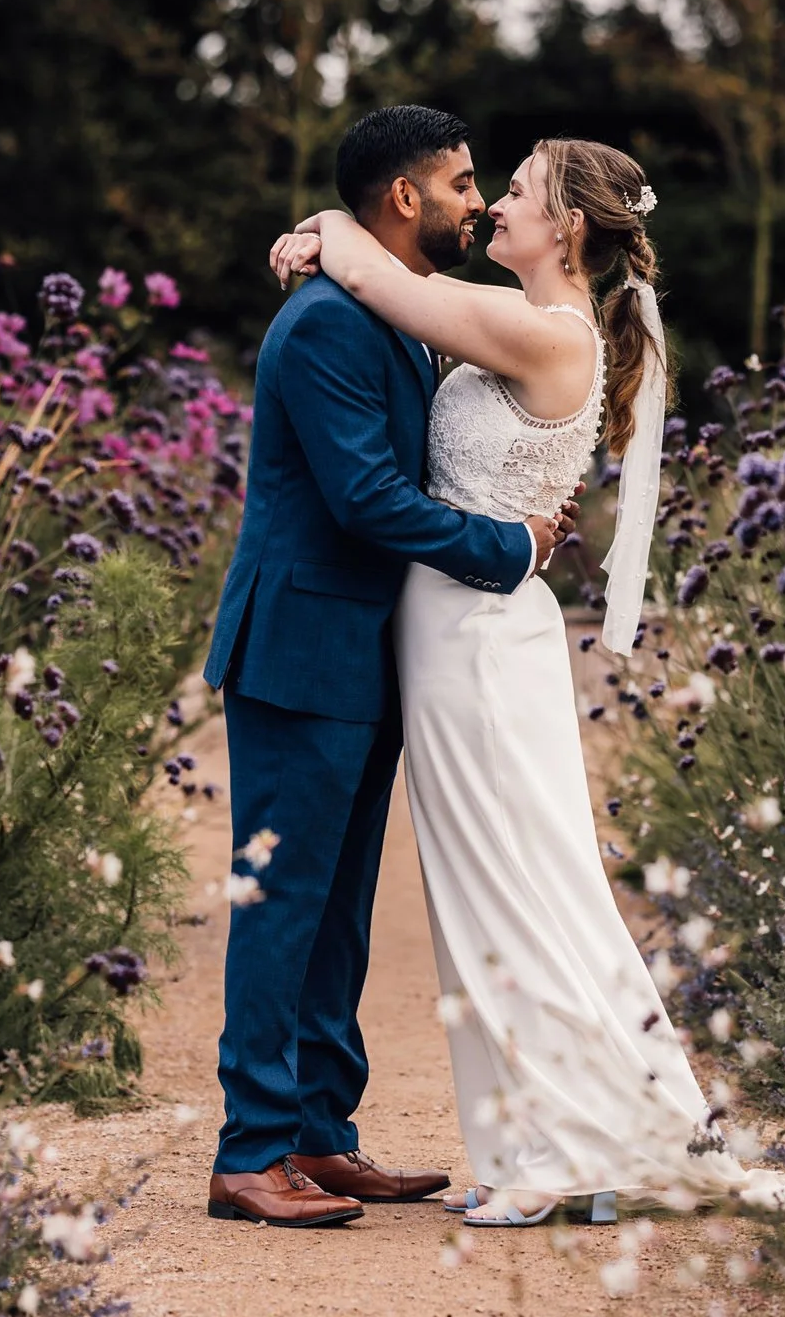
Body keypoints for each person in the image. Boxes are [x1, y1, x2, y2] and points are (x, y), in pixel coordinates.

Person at [270, 137, 780, 1227]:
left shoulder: (542, 330)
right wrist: (325, 237)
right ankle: (555, 1140)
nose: (495, 204)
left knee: (508, 885)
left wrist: (322, 232)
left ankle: (548, 1153)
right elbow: (385, 278)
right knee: (492, 888)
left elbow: (377, 277)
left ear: (567, 230)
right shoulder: (526, 321)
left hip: (481, 637)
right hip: (460, 630)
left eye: (515, 194)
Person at [200, 106, 579, 1229]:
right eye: (463, 183)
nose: (478, 200)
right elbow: (366, 498)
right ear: (404, 197)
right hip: (299, 649)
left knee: (340, 911)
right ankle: (249, 1151)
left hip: (364, 658)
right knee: (281, 900)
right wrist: (507, 549)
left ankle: (320, 1134)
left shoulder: (394, 312)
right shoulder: (322, 324)